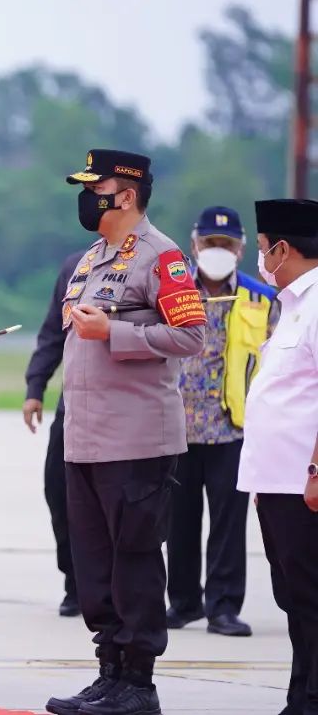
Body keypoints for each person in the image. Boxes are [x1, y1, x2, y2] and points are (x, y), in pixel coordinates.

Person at [45, 149, 206, 715]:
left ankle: (138, 683)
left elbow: (191, 338)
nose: (87, 198)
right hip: (84, 438)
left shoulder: (163, 257)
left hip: (136, 441)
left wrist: (115, 331)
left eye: (96, 187)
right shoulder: (92, 258)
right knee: (94, 564)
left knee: (134, 559)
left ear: (128, 194)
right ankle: (108, 671)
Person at [166, 205, 277, 638]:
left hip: (234, 427)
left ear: (241, 249)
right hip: (178, 426)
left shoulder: (260, 298)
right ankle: (183, 602)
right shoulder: (173, 295)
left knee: (229, 525)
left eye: (226, 245)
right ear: (194, 245)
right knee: (179, 520)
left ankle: (224, 607)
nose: (217, 251)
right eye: (210, 243)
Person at [237, 198, 318, 715]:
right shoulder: (292, 305)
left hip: (304, 482)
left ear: (283, 249)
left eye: (264, 249)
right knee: (293, 595)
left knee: (311, 595)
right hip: (277, 482)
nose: (261, 258)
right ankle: (300, 693)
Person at [23, 250, 85, 618]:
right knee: (59, 492)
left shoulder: (151, 262)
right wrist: (35, 387)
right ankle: (75, 582)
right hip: (74, 404)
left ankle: (112, 586)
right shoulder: (76, 267)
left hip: (124, 412)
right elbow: (52, 333)